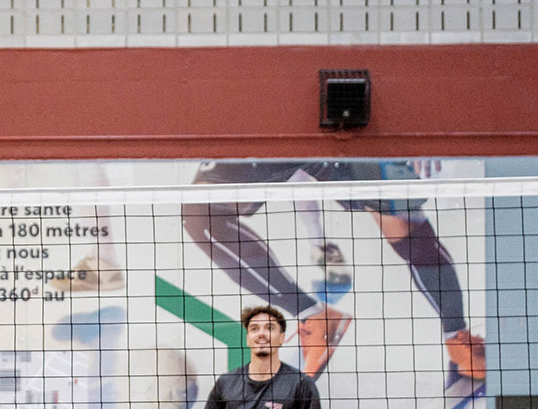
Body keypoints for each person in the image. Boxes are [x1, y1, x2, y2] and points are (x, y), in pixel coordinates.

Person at [181, 160, 485, 379]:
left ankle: (456, 335)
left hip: (342, 119)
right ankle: (315, 315)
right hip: (271, 115)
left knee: (401, 218)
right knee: (201, 208)